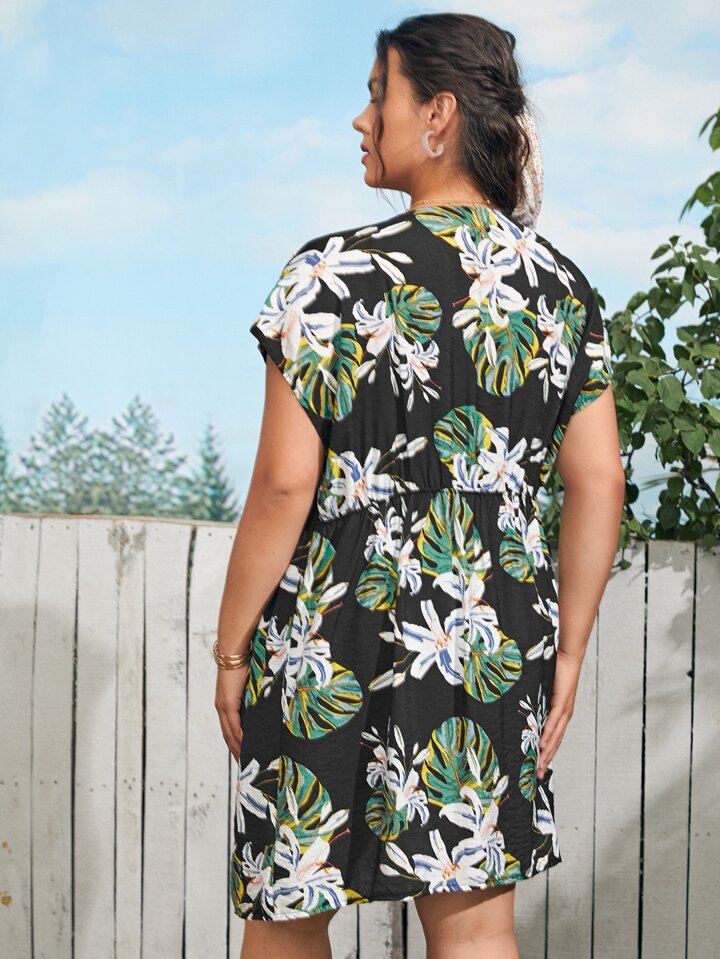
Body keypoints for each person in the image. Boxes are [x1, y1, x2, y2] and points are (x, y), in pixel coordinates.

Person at [215, 11, 625, 959]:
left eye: (377, 95)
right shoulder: (563, 291)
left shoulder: (329, 277)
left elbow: (283, 486)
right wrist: (566, 649)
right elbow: (600, 478)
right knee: (475, 925)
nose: (362, 120)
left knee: (287, 915)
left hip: (329, 634)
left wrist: (231, 648)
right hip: (488, 638)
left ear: (437, 114)